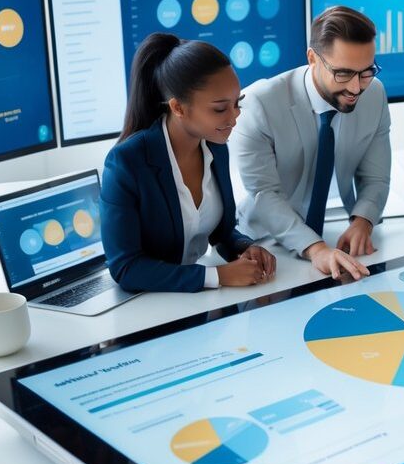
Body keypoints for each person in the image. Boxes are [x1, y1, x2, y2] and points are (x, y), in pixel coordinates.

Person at [101, 33, 276, 293]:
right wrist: (217, 276)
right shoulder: (126, 163)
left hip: (195, 304)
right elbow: (125, 267)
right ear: (178, 108)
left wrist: (244, 248)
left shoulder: (216, 147)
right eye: (220, 109)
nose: (234, 117)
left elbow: (222, 232)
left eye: (236, 104)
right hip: (148, 307)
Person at [231, 6, 390, 281]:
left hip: (334, 233)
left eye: (366, 72)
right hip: (264, 244)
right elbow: (264, 193)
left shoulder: (374, 94)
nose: (356, 88)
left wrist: (363, 220)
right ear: (312, 58)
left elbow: (376, 176)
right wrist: (316, 249)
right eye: (343, 73)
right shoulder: (258, 104)